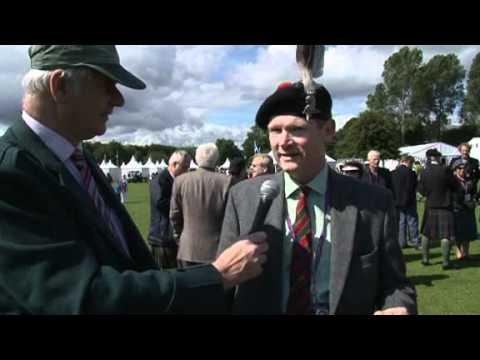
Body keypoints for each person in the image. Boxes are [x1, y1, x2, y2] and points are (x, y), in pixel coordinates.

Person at [0, 45, 268, 314]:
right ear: (60, 86)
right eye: (107, 85)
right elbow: (82, 297)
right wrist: (217, 276)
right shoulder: (11, 172)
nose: (118, 100)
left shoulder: (77, 157)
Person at [217, 81, 417, 315]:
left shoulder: (373, 203)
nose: (282, 142)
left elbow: (395, 284)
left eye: (296, 129)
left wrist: (399, 307)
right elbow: (223, 285)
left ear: (329, 130)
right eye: (275, 130)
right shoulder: (243, 198)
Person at [171, 143, 232, 268]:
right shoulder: (227, 181)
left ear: (196, 159)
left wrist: (178, 236)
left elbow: (174, 215)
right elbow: (232, 218)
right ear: (217, 160)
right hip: (218, 250)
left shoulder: (180, 181)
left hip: (188, 249)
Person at [148, 150, 191, 269]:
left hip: (171, 238)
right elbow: (160, 203)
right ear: (174, 164)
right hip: (162, 240)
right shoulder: (160, 180)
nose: (187, 170)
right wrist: (184, 206)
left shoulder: (175, 180)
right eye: (185, 167)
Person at [418, 149, 458, 270]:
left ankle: (425, 259)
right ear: (437, 157)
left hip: (430, 205)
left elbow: (421, 190)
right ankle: (446, 262)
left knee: (426, 233)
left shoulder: (424, 172)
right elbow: (454, 185)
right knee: (445, 234)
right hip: (445, 205)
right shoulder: (445, 169)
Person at [391, 155, 420, 249]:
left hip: (397, 201)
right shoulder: (411, 173)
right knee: (412, 222)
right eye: (412, 163)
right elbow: (413, 188)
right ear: (408, 162)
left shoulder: (392, 173)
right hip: (409, 201)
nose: (412, 166)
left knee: (401, 223)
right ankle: (415, 241)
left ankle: (401, 242)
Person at [451, 159, 477, 260]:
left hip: (468, 209)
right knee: (458, 233)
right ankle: (458, 251)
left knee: (468, 232)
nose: (462, 170)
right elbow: (453, 196)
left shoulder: (469, 179)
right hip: (457, 209)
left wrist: (474, 199)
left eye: (464, 168)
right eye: (459, 168)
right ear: (455, 170)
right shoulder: (453, 181)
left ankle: (466, 252)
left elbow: (473, 192)